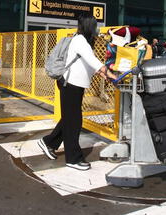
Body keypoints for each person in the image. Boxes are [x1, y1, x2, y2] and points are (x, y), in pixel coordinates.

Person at [38, 14, 118, 170]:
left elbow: (88, 64)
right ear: (89, 26)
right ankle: (73, 159)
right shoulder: (80, 41)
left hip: (75, 85)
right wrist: (109, 73)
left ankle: (48, 142)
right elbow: (93, 61)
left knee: (69, 119)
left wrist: (104, 74)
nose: (97, 29)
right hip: (70, 84)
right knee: (74, 122)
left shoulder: (82, 41)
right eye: (95, 26)